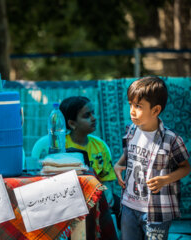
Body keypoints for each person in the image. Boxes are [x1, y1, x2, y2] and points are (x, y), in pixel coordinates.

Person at [113, 76, 190, 240]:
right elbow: (129, 154)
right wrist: (118, 166)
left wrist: (165, 179)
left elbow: (186, 167)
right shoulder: (131, 130)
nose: (132, 111)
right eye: (131, 105)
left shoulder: (171, 139)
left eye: (138, 106)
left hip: (156, 212)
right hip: (128, 207)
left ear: (155, 110)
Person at [59, 96, 119, 240]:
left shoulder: (100, 146)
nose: (93, 118)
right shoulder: (61, 146)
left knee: (119, 205)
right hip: (70, 196)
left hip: (97, 194)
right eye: (87, 115)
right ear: (72, 124)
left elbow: (106, 179)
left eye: (93, 113)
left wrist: (108, 194)